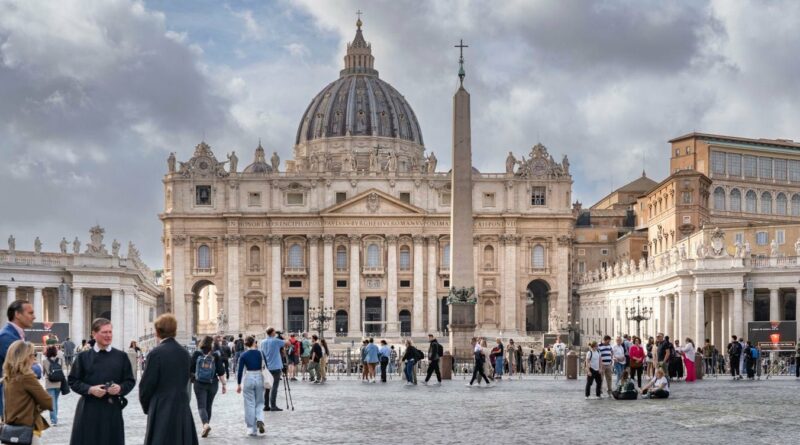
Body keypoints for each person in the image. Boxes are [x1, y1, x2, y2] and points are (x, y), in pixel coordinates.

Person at [68, 318, 136, 445]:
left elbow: (130, 381)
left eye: (110, 332)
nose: (108, 335)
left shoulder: (121, 356)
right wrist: (90, 389)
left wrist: (120, 388)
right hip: (89, 409)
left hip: (112, 410)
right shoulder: (83, 357)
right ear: (94, 334)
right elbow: (73, 381)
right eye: (104, 332)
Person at [138, 314, 198, 445]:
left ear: (157, 332)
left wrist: (148, 407)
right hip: (182, 404)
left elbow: (146, 386)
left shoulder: (156, 353)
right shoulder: (185, 353)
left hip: (161, 404)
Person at [2, 340, 52, 445]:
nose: (34, 358)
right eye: (32, 355)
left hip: (10, 430)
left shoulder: (8, 378)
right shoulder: (26, 377)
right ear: (25, 357)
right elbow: (48, 402)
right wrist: (35, 408)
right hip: (28, 431)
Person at [0, 299, 35, 419]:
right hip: (9, 403)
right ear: (17, 315)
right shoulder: (7, 336)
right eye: (30, 313)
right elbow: (23, 368)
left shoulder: (16, 335)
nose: (34, 317)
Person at [190, 335, 227, 437]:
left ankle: (205, 424)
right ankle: (206, 425)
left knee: (201, 406)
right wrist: (224, 384)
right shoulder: (215, 355)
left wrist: (192, 378)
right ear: (212, 345)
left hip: (199, 383)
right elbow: (221, 371)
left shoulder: (197, 354)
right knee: (208, 405)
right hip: (212, 383)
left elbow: (190, 368)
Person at [237, 336, 266, 436]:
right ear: (254, 343)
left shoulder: (243, 355)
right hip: (259, 376)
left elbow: (240, 370)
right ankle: (260, 419)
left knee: (249, 403)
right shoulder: (260, 353)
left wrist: (238, 384)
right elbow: (266, 365)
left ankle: (251, 428)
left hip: (248, 377)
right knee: (259, 402)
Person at [259, 327, 290, 412]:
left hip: (267, 367)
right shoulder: (276, 341)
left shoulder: (262, 342)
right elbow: (288, 343)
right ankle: (273, 405)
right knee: (274, 387)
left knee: (267, 386)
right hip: (276, 367)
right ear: (272, 333)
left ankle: (266, 405)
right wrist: (284, 337)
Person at [41, 345, 67, 425]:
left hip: (49, 384)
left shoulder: (45, 361)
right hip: (58, 383)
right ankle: (55, 417)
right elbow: (62, 370)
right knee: (55, 401)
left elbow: (43, 373)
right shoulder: (60, 360)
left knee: (52, 402)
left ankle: (54, 420)